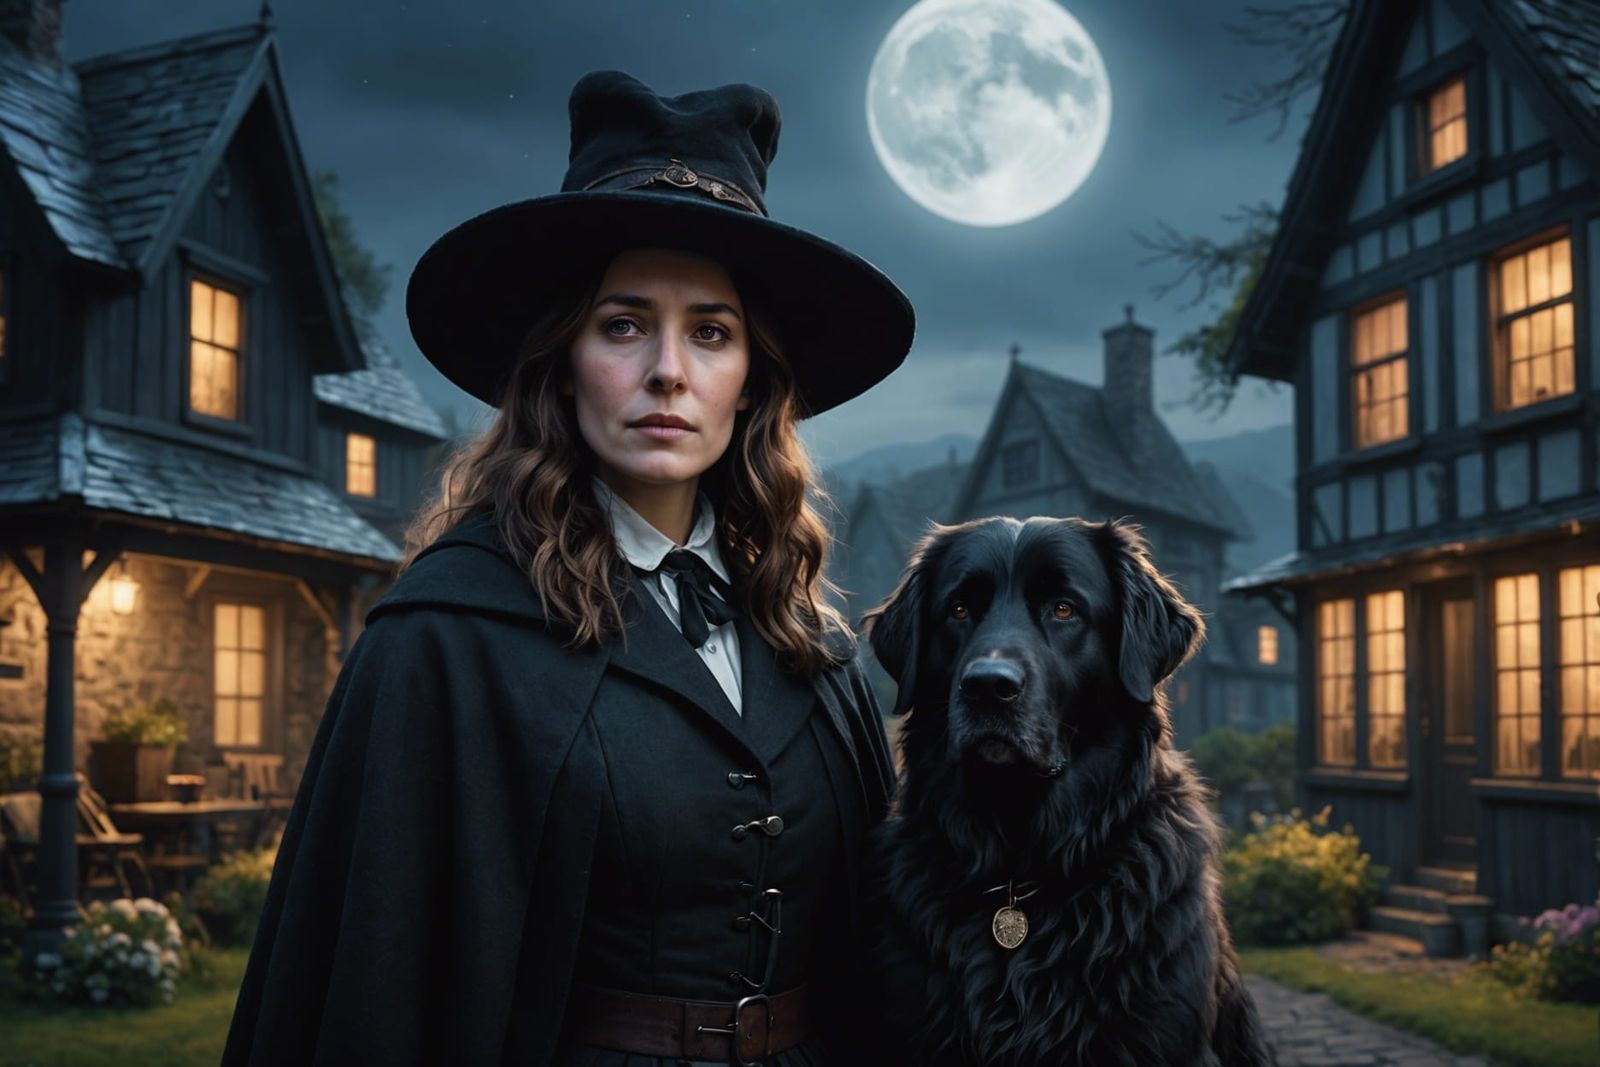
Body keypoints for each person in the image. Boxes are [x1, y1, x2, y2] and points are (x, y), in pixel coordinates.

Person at [221, 69, 915, 1067]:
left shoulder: (820, 652)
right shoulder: (449, 638)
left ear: (751, 380)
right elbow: (371, 985)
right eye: (624, 324)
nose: (667, 369)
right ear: (561, 358)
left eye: (710, 332)